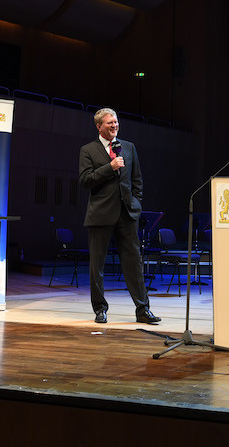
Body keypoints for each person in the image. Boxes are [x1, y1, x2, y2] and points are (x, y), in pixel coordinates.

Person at [79, 108, 160, 325]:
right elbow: (85, 180)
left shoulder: (129, 147)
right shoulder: (88, 150)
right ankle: (100, 309)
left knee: (134, 263)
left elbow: (137, 180)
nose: (114, 125)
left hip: (127, 213)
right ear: (99, 126)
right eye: (109, 123)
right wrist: (110, 167)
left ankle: (143, 309)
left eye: (115, 122)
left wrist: (136, 203)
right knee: (97, 266)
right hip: (101, 214)